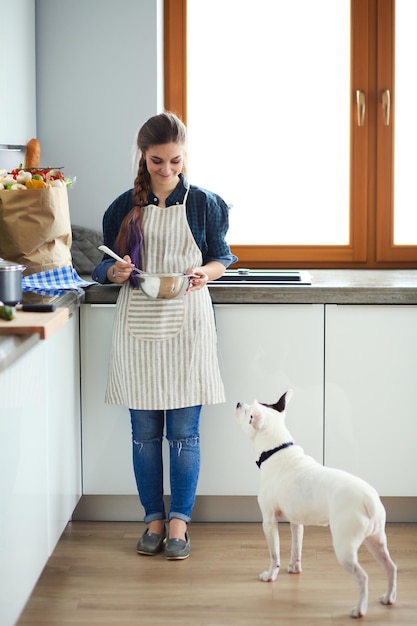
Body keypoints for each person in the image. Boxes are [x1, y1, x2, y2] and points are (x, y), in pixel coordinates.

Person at [92, 111, 237, 560]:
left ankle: (180, 522)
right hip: (137, 323)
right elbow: (100, 267)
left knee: (184, 433)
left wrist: (203, 273)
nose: (168, 170)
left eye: (175, 160)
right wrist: (113, 271)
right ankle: (153, 517)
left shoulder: (205, 204)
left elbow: (222, 257)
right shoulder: (122, 207)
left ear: (184, 155)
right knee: (144, 433)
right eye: (158, 161)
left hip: (187, 323)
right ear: (144, 156)